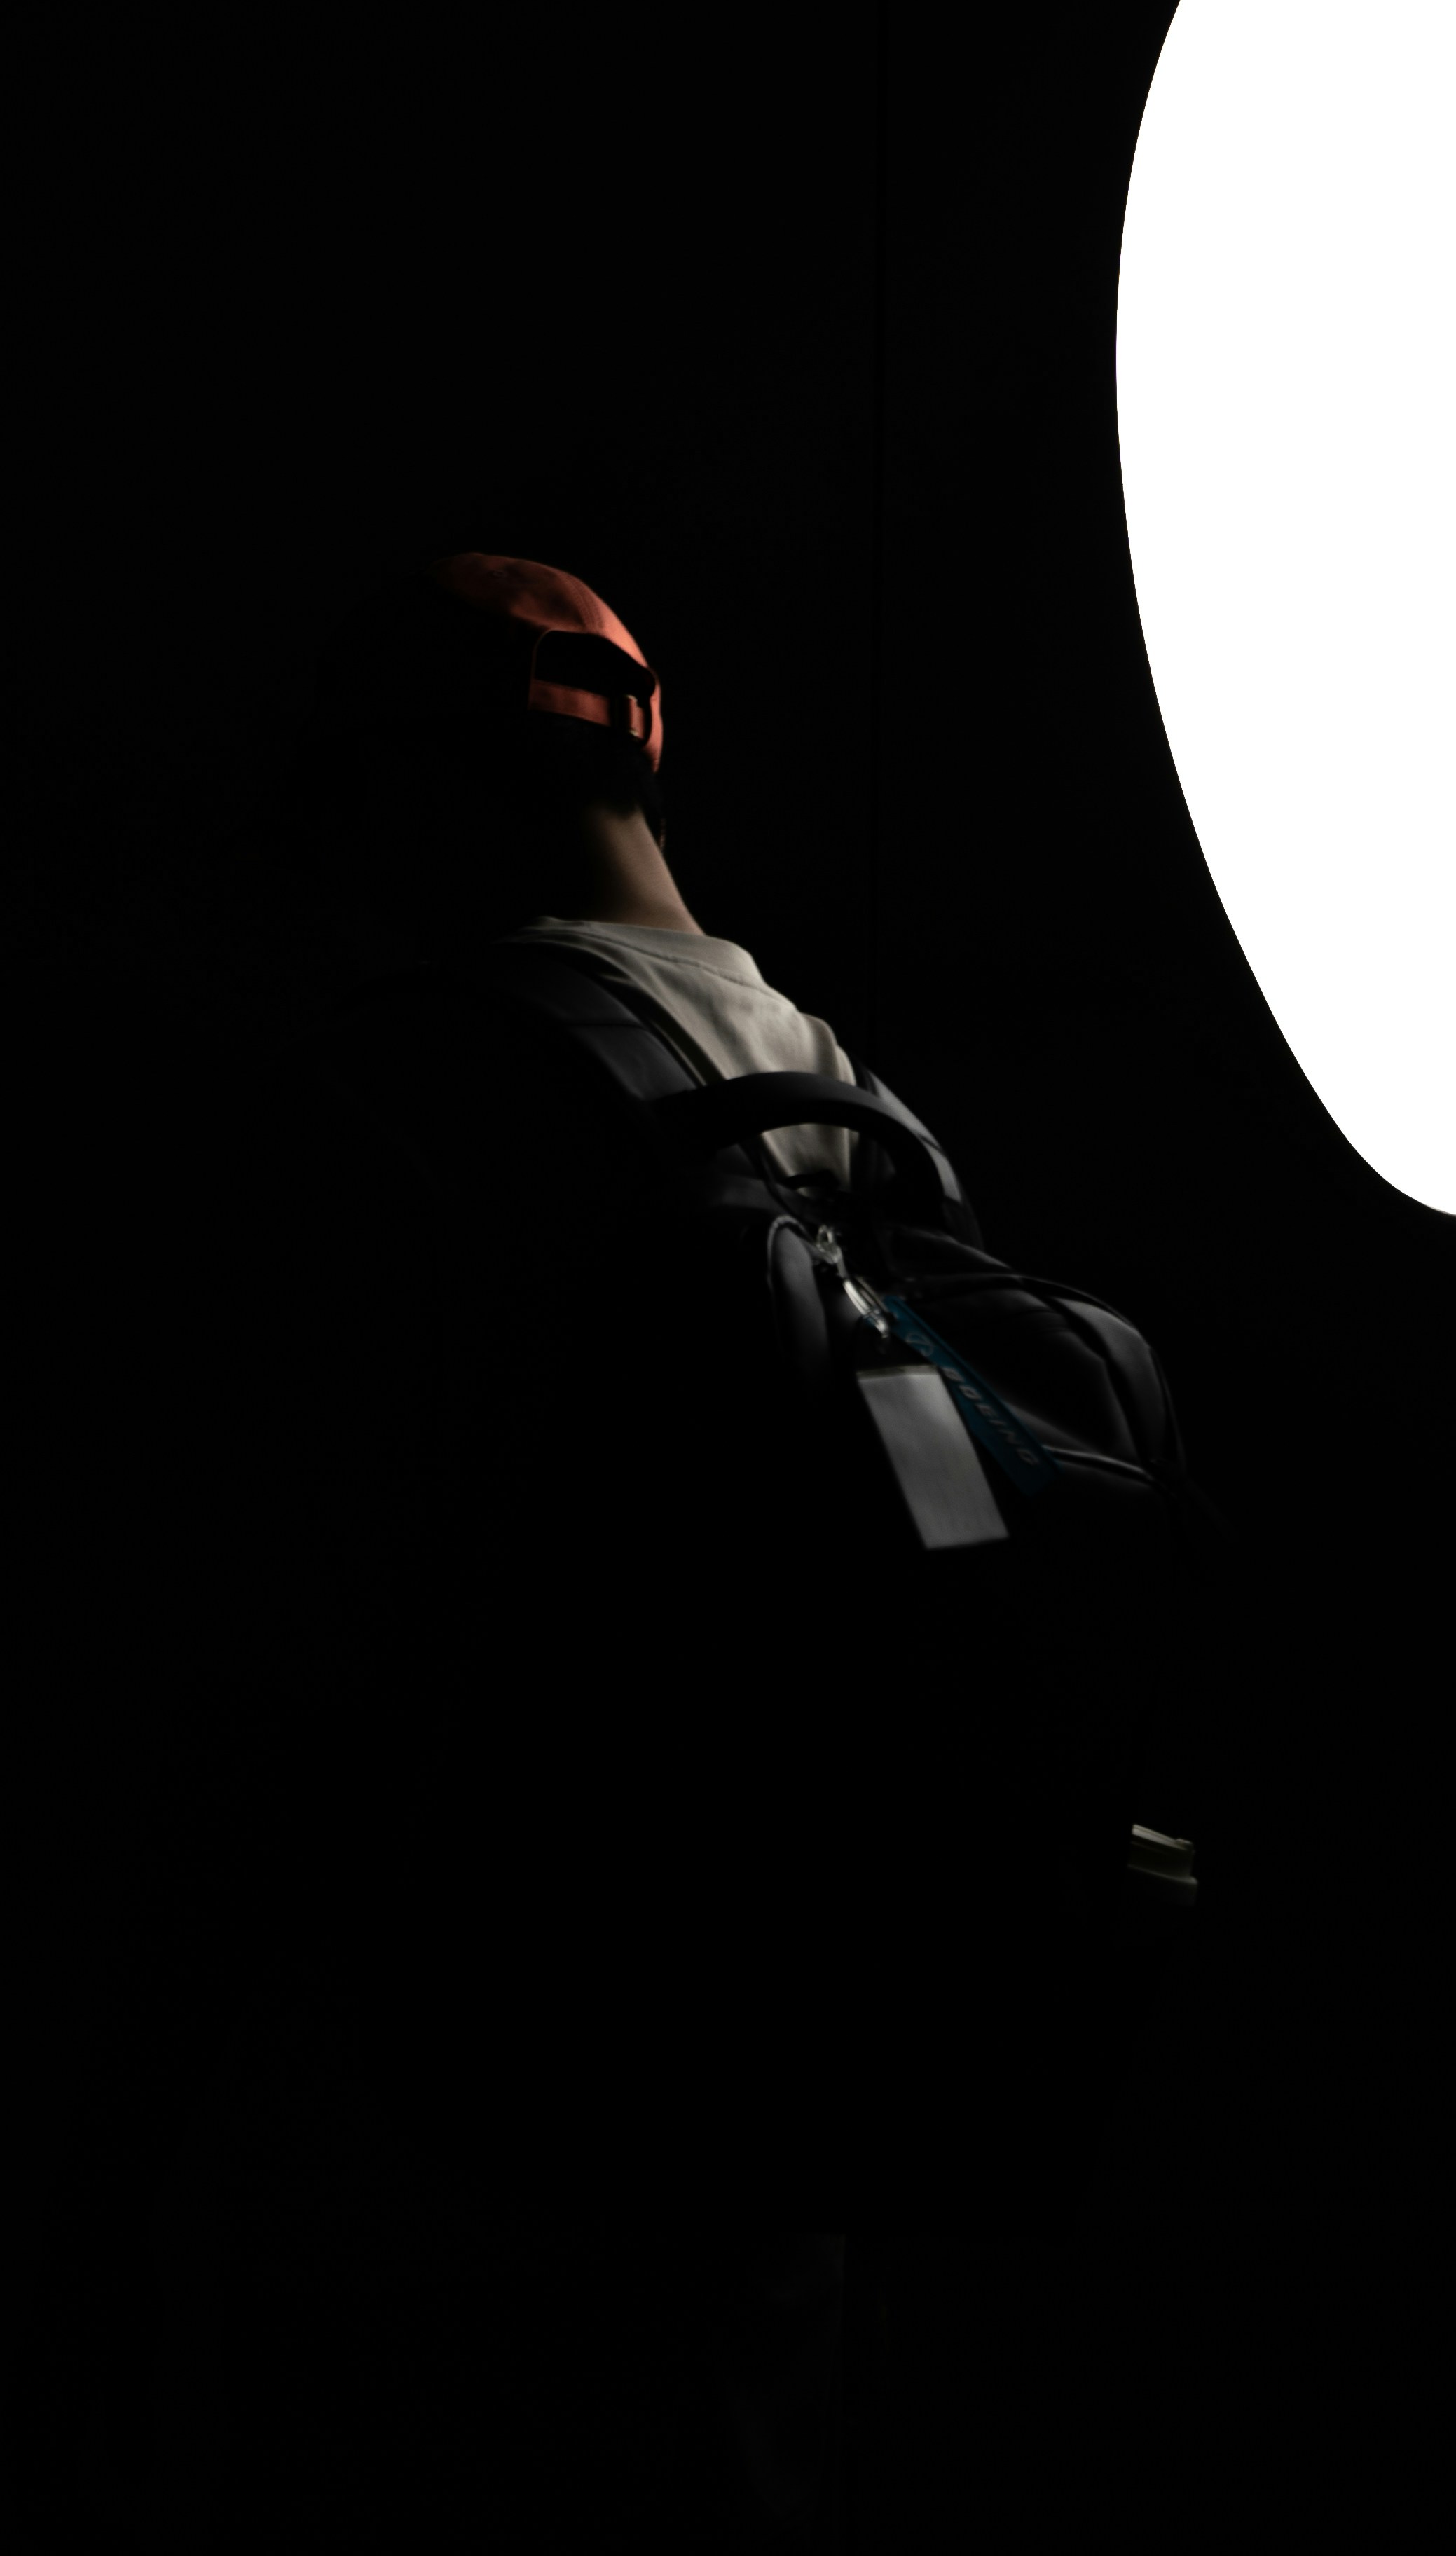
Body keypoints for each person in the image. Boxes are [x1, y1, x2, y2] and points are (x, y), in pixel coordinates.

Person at [75, 554, 876, 2552]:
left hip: (438, 2144)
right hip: (761, 2119)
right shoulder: (832, 1085)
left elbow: (265, 1676)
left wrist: (99, 2171)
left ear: (397, 794)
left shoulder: (404, 1086)